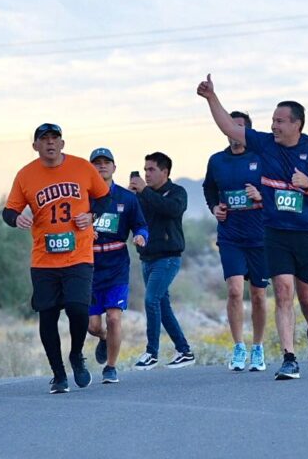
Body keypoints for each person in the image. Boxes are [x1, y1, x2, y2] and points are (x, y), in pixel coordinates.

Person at [198, 74, 308, 380]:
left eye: (280, 121)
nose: (274, 125)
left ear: (297, 124)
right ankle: (289, 357)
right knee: (282, 290)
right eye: (273, 120)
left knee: (307, 297)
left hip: (306, 233)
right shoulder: (264, 143)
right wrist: (212, 98)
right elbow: (229, 127)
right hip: (274, 231)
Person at [3, 124, 111, 393]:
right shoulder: (26, 175)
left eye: (55, 139)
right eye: (44, 139)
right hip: (44, 258)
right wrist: (18, 218)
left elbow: (104, 197)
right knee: (47, 315)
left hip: (79, 254)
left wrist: (92, 215)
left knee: (77, 308)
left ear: (62, 143)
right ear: (35, 146)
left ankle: (76, 354)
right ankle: (58, 373)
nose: (50, 143)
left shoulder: (83, 168)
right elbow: (8, 211)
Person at [202, 111, 268, 372]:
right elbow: (209, 188)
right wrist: (214, 208)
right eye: (230, 126)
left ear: (247, 131)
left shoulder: (261, 158)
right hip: (230, 235)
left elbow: (278, 186)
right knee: (235, 291)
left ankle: (258, 347)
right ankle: (239, 347)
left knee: (259, 295)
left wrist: (261, 194)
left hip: (260, 236)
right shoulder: (217, 161)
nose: (234, 131)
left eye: (239, 127)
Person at [87, 148, 148, 383]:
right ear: (90, 168)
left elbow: (141, 226)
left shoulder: (127, 198)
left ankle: (111, 367)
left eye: (106, 162)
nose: (102, 166)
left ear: (114, 167)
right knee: (92, 326)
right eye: (97, 163)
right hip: (90, 266)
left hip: (117, 265)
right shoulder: (83, 198)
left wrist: (141, 237)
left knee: (114, 317)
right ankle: (103, 338)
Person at [129, 152, 195, 370]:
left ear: (165, 172)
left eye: (151, 170)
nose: (146, 174)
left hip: (168, 259)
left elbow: (171, 209)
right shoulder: (141, 196)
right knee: (162, 305)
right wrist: (131, 199)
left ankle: (151, 352)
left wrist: (145, 192)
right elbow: (133, 221)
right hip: (147, 258)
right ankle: (184, 351)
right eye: (145, 169)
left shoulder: (177, 192)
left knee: (151, 301)